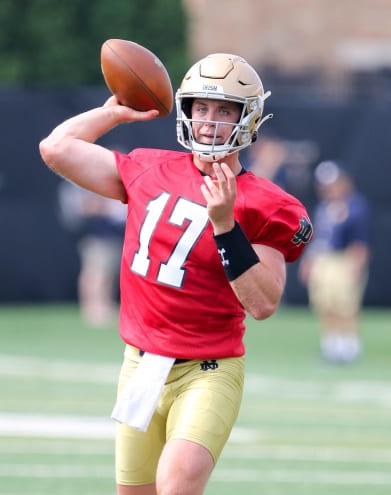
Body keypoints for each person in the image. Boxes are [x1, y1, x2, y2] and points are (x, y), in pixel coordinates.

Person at [39, 52, 313, 495]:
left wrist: (225, 226)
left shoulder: (267, 203)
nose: (209, 121)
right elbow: (55, 148)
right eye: (201, 107)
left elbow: (264, 303)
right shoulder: (149, 167)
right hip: (140, 366)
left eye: (225, 109)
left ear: (249, 118)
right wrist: (112, 113)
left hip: (208, 368)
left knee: (177, 484)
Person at [298, 160, 370, 364]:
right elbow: (319, 238)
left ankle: (350, 346)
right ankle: (331, 345)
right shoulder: (324, 207)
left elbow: (360, 240)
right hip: (324, 259)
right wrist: (309, 261)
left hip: (343, 259)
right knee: (324, 303)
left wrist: (356, 264)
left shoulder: (355, 206)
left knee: (345, 304)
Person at [57, 180, 126, 327]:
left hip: (113, 236)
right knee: (94, 274)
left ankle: (105, 305)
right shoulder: (82, 184)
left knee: (108, 275)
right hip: (95, 237)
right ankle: (91, 308)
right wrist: (102, 207)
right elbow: (82, 208)